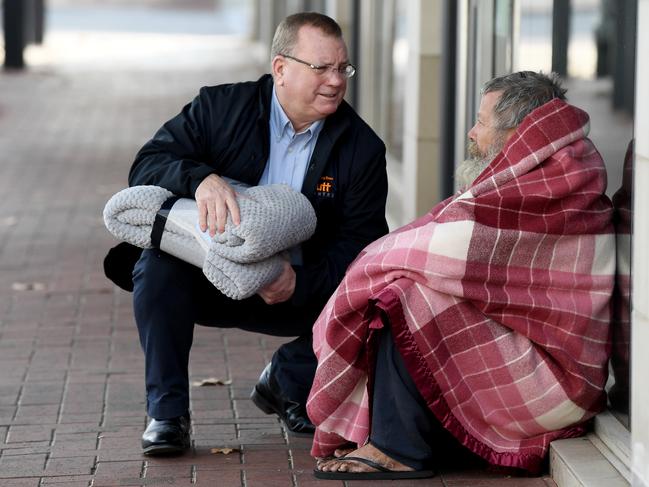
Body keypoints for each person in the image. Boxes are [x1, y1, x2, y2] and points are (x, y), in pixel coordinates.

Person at [104, 12, 388, 455]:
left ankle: (289, 380)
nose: (335, 81)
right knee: (156, 266)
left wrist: (300, 283)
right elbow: (149, 162)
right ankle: (167, 413)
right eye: (321, 68)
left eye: (342, 68)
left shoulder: (362, 148)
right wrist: (200, 179)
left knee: (378, 302)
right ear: (280, 68)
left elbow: (361, 248)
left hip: (292, 289)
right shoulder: (221, 108)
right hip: (209, 276)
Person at [309, 71, 615, 480]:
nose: (472, 133)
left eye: (482, 121)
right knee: (406, 286)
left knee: (405, 293)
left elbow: (452, 248)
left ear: (520, 132)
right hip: (550, 366)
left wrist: (366, 266)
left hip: (559, 384)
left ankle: (396, 448)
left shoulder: (550, 184)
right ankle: (400, 433)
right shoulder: (557, 169)